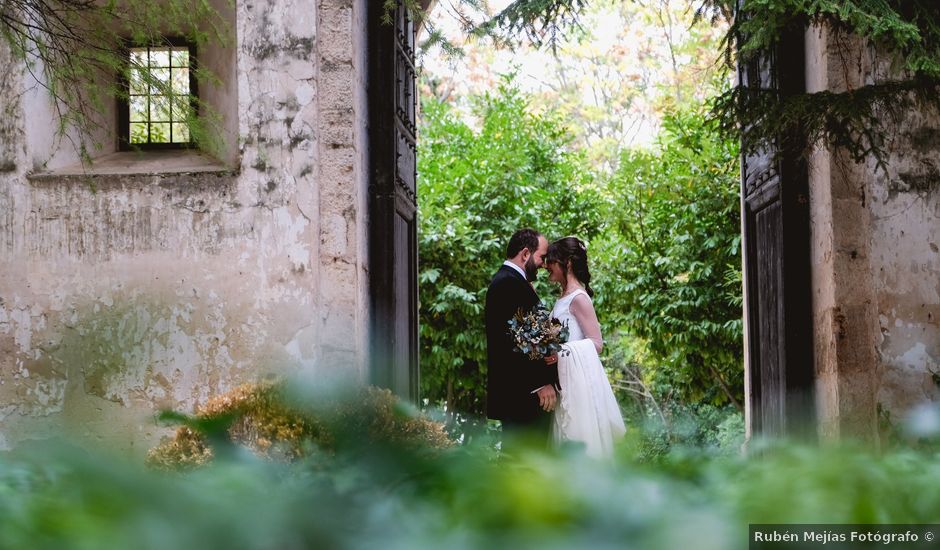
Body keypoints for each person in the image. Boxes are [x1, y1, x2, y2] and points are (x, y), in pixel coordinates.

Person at [544, 237, 626, 459]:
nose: (545, 266)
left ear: (567, 263)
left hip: (578, 385)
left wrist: (559, 351)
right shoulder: (562, 298)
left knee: (578, 439)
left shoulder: (579, 298)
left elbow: (597, 344)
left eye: (550, 260)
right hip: (564, 381)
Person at [485, 228, 560, 448]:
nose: (544, 264)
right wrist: (539, 383)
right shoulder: (508, 284)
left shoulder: (512, 281)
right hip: (522, 396)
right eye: (542, 257)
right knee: (525, 465)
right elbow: (513, 341)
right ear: (525, 254)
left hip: (521, 396)